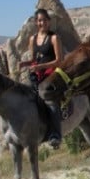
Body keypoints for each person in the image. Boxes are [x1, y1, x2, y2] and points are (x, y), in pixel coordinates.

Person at [23, 8, 63, 148]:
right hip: (38, 74)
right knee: (26, 95)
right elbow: (33, 59)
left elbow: (59, 60)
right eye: (40, 20)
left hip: (52, 74)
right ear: (36, 22)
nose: (42, 23)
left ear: (49, 21)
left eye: (45, 20)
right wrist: (25, 64)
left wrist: (41, 66)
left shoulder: (54, 38)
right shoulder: (32, 39)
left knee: (48, 97)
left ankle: (55, 134)